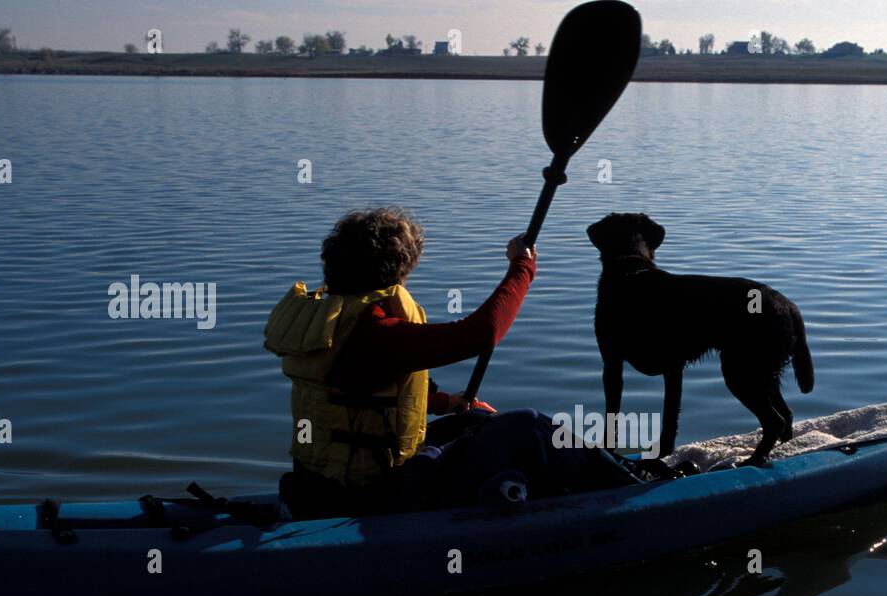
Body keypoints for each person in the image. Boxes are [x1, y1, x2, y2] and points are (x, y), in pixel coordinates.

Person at [265, 207, 638, 518]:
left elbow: (358, 394)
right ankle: (632, 495)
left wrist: (447, 404)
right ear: (397, 270)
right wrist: (521, 268)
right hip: (376, 496)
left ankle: (577, 481)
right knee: (529, 427)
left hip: (322, 484)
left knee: (474, 419)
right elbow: (481, 334)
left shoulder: (330, 321)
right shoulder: (374, 329)